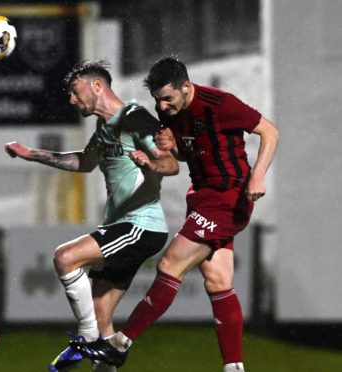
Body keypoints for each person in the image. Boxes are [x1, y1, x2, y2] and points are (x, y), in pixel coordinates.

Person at [72, 57, 279, 372]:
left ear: (186, 87)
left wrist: (258, 175)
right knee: (217, 280)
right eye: (158, 100)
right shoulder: (168, 110)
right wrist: (170, 147)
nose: (163, 106)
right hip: (201, 197)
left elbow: (270, 131)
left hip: (228, 197)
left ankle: (120, 343)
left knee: (171, 263)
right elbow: (185, 153)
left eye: (168, 98)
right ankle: (234, 366)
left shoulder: (220, 104)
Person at [5, 60, 178, 372]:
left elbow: (171, 163)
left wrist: (153, 164)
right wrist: (31, 154)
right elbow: (84, 163)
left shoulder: (134, 118)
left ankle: (85, 337)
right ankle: (98, 344)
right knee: (101, 315)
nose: (72, 100)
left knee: (65, 257)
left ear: (97, 86)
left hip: (140, 224)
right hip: (123, 226)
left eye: (75, 91)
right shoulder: (105, 128)